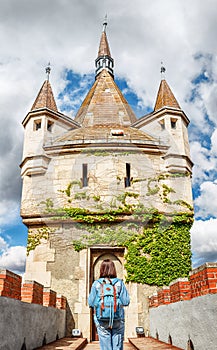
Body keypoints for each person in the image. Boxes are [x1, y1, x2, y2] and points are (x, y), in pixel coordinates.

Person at [88, 259, 130, 350]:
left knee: (105, 347)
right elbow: (126, 301)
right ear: (113, 269)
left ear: (101, 269)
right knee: (117, 347)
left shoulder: (97, 283)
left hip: (101, 318)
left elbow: (90, 303)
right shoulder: (119, 283)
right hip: (118, 318)